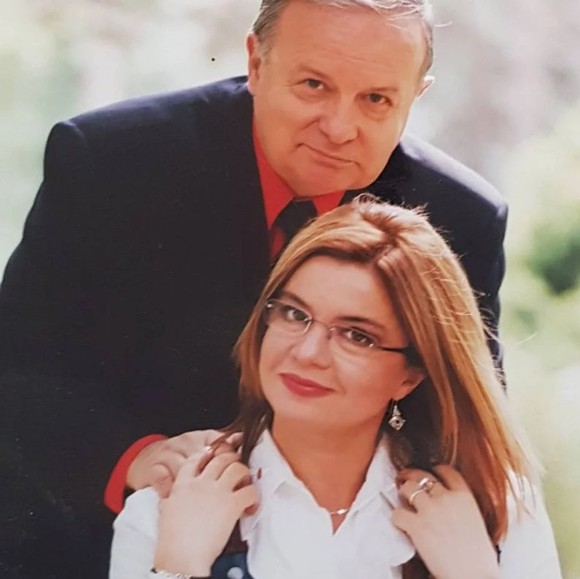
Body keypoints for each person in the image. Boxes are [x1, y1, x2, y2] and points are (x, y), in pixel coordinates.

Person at [0, 0, 508, 576]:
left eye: (376, 99)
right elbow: (19, 372)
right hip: (102, 538)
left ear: (415, 96)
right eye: (314, 85)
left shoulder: (461, 218)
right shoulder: (112, 162)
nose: (339, 128)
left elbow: (462, 422)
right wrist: (138, 460)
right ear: (256, 62)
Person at [109, 197, 561, 579]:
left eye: (356, 336)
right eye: (294, 314)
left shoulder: (496, 509)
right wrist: (180, 567)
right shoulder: (166, 512)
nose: (308, 353)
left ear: (411, 375)